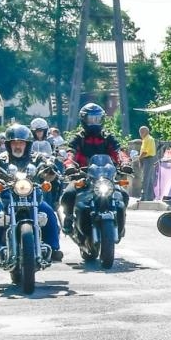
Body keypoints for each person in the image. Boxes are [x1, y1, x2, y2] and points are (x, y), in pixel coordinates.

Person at [0, 124, 62, 264]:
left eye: (21, 143)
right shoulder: (2, 158)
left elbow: (49, 167)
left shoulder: (36, 158)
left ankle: (54, 248)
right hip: (8, 197)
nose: (17, 146)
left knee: (48, 212)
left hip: (33, 196)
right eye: (14, 143)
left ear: (27, 144)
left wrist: (50, 165)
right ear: (8, 145)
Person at [61, 103, 126, 245]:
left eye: (97, 119)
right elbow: (70, 153)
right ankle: (69, 217)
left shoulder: (107, 137)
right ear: (84, 120)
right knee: (69, 193)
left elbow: (118, 152)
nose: (94, 123)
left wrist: (125, 163)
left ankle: (121, 221)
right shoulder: (78, 138)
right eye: (91, 119)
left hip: (105, 177)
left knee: (124, 194)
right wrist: (70, 165)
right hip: (84, 175)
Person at [135, 125, 157, 201]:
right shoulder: (146, 139)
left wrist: (139, 158)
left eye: (141, 132)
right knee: (149, 179)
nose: (140, 134)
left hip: (148, 159)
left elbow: (145, 152)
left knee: (145, 178)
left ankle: (144, 196)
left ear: (145, 132)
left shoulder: (148, 139)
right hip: (147, 159)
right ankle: (150, 196)